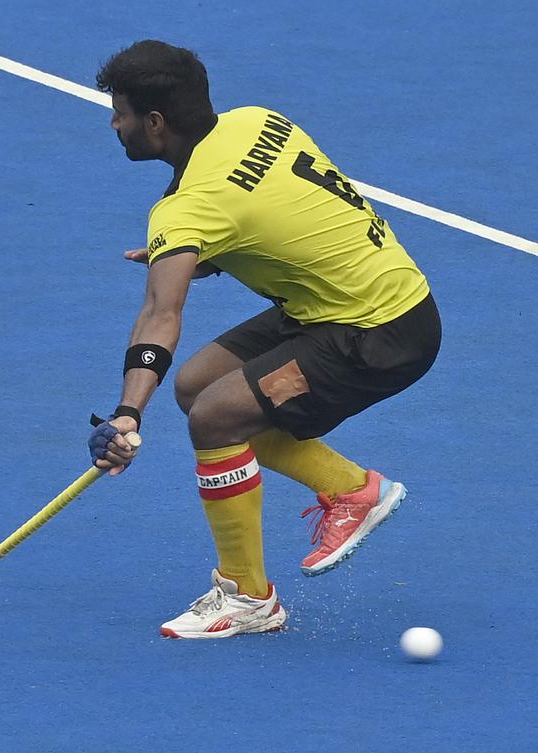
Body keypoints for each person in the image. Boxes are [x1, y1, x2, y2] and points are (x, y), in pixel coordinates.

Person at [86, 41, 441, 638]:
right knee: (197, 386)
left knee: (216, 418)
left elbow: (159, 311)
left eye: (119, 112)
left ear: (155, 123)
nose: (114, 123)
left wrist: (126, 415)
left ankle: (249, 599)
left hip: (377, 332)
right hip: (348, 298)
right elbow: (280, 211)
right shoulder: (258, 120)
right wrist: (205, 253)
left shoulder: (190, 209)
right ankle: (353, 490)